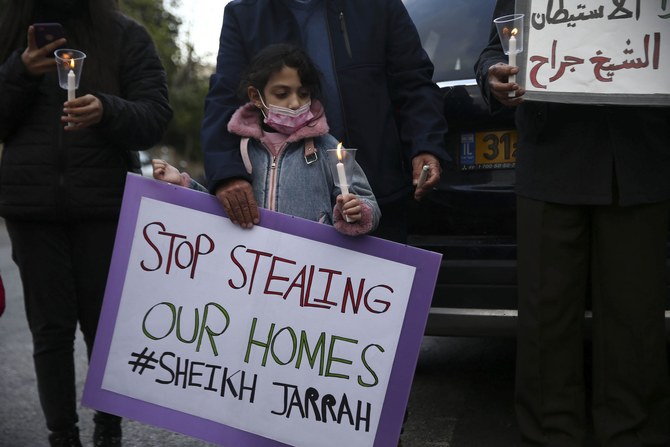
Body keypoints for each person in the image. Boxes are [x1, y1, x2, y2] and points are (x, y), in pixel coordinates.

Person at [475, 1, 670, 446]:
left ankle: (633, 434)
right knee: (546, 318)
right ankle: (549, 436)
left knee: (635, 318)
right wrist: (494, 77)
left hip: (639, 164)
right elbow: (495, 49)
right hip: (551, 164)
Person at [0, 0, 172, 446]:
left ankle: (108, 429)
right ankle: (63, 435)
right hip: (31, 209)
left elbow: (155, 117)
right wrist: (20, 70)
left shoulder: (125, 36)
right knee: (50, 330)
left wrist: (107, 110)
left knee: (105, 326)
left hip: (105, 207)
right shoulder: (11, 29)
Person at [201, 0, 449, 243]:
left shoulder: (380, 6)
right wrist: (226, 174)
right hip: (284, 214)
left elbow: (413, 83)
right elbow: (224, 99)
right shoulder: (245, 14)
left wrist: (425, 145)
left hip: (381, 196)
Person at [155, 43, 380, 236]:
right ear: (256, 96)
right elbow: (220, 208)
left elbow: (368, 203)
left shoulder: (328, 147)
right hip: (252, 271)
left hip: (308, 275)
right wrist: (182, 185)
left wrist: (357, 211)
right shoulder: (238, 150)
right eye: (282, 94)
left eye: (303, 94)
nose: (295, 103)